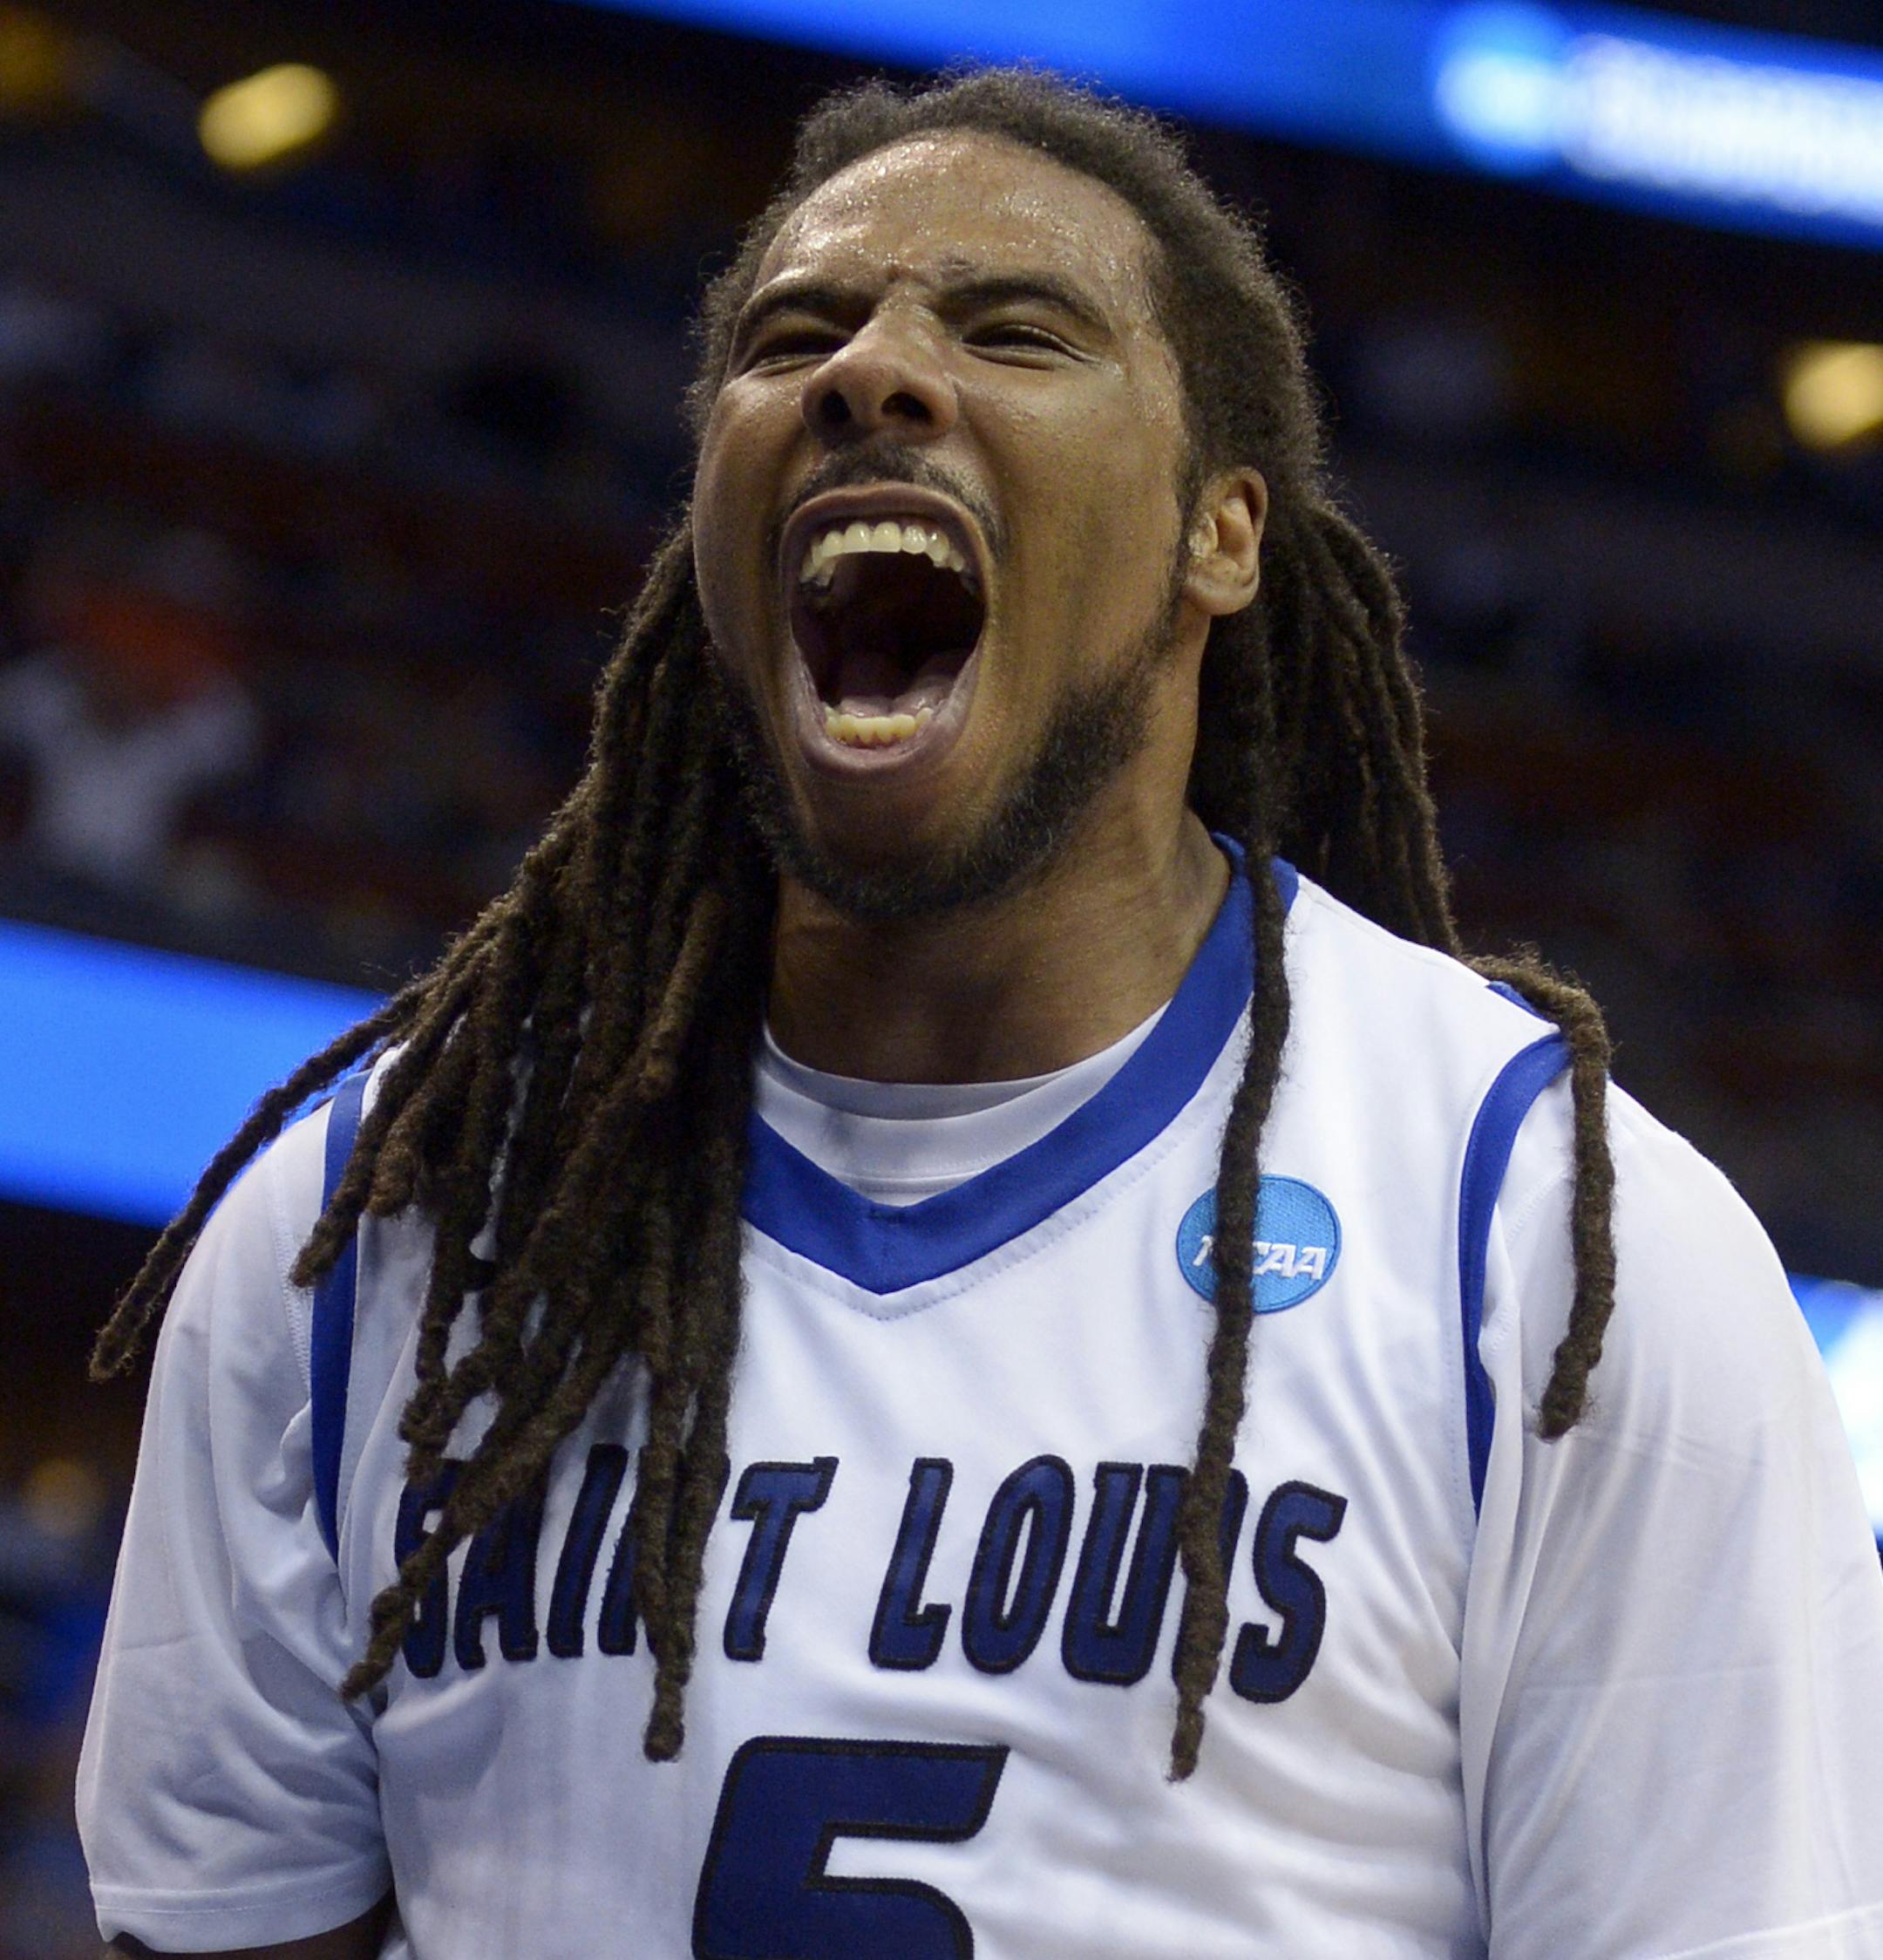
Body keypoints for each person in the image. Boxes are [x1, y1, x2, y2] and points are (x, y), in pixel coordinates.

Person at [76, 70, 1883, 1960]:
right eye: (796, 336)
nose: (873, 373)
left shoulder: (1545, 1246)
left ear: (1223, 535)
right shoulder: (371, 1223)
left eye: (1015, 329)